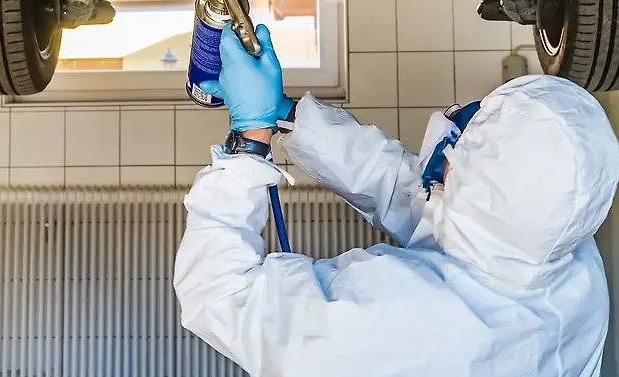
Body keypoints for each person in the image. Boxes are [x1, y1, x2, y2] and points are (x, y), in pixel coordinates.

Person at [174, 23, 619, 377]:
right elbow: (415, 196)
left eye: (467, 136)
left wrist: (250, 140)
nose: (453, 127)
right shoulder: (562, 259)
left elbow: (221, 293)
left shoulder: (401, 325)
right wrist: (288, 116)